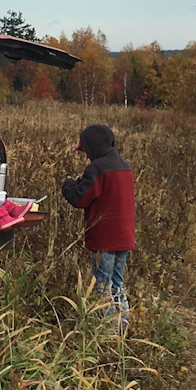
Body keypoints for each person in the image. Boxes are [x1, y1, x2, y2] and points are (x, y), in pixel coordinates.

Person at [60, 123, 135, 329]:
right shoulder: (124, 166)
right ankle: (122, 328)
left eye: (85, 150)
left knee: (102, 287)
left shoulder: (97, 168)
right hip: (124, 239)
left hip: (104, 240)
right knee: (117, 285)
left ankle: (107, 333)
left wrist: (68, 185)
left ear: (92, 147)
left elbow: (79, 198)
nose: (86, 155)